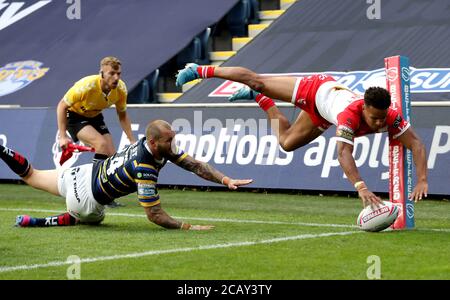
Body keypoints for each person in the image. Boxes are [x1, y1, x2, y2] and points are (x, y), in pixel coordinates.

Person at [176, 63, 428, 207]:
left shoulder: (392, 117)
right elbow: (343, 152)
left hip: (322, 114)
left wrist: (422, 180)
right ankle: (200, 70)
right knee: (257, 81)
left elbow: (415, 144)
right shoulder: (350, 115)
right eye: (374, 118)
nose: (378, 123)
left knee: (286, 144)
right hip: (316, 89)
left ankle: (261, 101)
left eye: (382, 118)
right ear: (364, 108)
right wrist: (361, 187)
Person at [1, 120, 253, 229]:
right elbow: (154, 215)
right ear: (155, 143)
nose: (174, 143)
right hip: (86, 197)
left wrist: (225, 179)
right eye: (170, 140)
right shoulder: (144, 167)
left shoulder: (149, 143)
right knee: (89, 219)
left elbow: (193, 164)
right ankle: (38, 222)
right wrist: (188, 227)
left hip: (82, 172)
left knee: (31, 175)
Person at [56, 56, 136, 208]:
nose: (116, 77)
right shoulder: (86, 86)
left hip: (95, 116)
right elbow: (61, 106)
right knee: (101, 145)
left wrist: (131, 139)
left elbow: (123, 115)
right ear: (102, 74)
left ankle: (107, 197)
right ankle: (93, 193)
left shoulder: (120, 89)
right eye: (111, 73)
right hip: (74, 117)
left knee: (113, 156)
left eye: (118, 74)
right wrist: (62, 136)